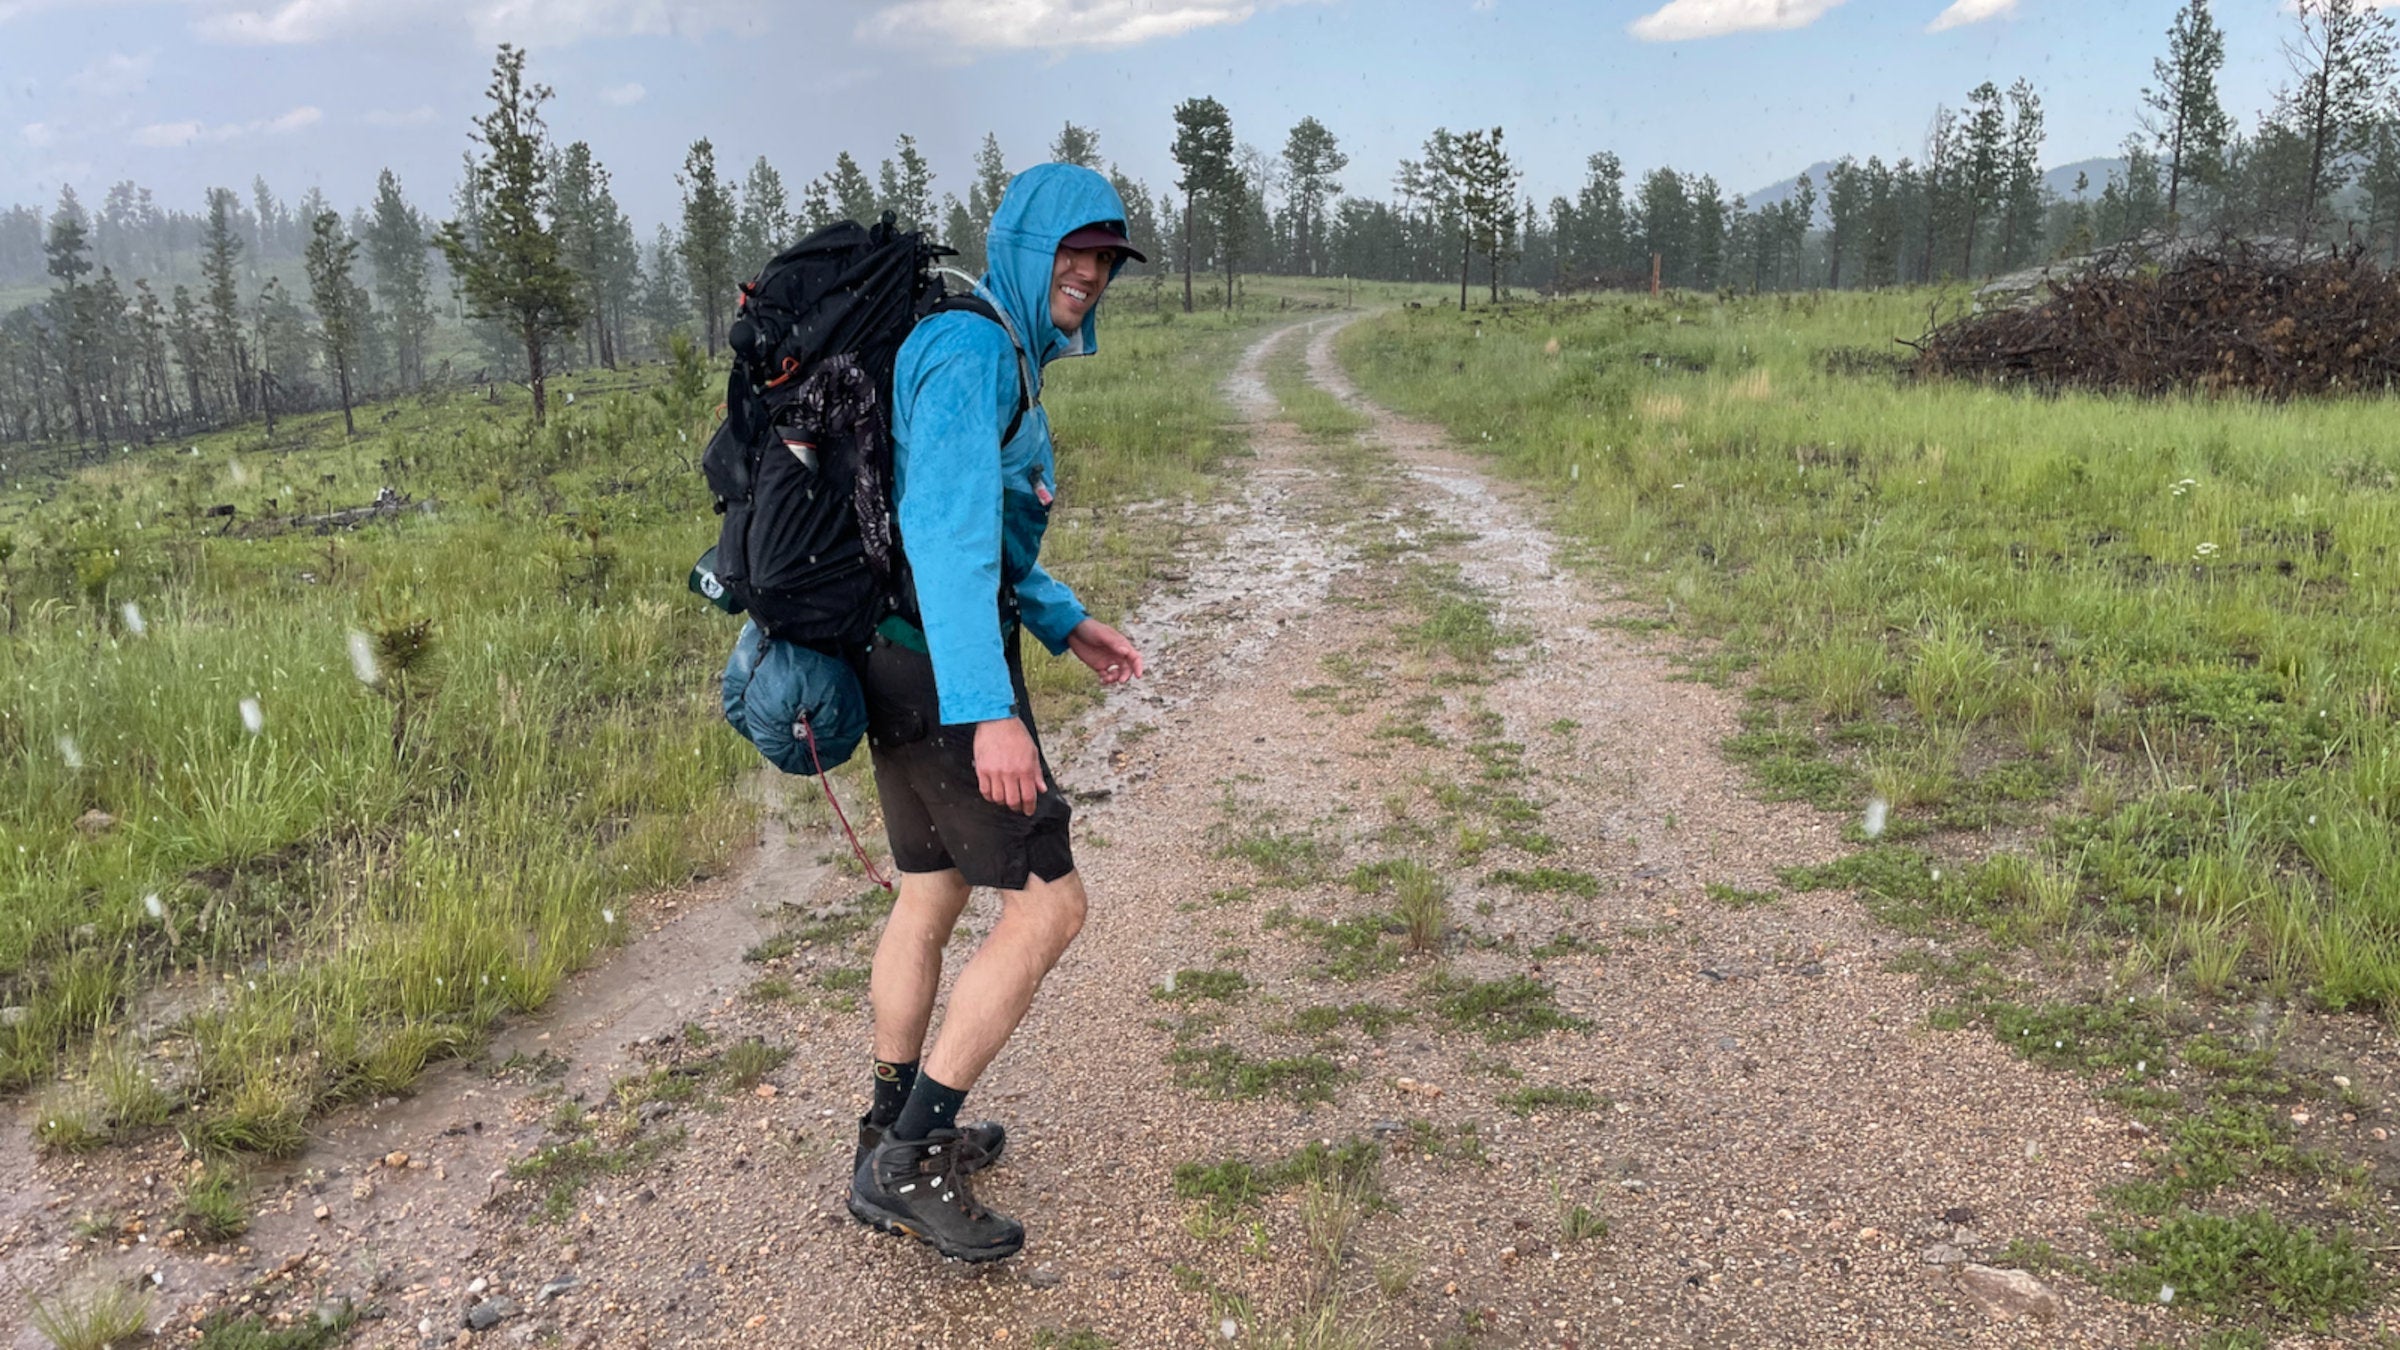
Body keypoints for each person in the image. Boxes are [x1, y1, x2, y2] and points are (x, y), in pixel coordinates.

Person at [843, 162, 1148, 1263]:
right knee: (1049, 910)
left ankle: (886, 1125)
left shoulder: (968, 338)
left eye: (1106, 259)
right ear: (1024, 246)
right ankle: (912, 1160)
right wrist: (989, 712)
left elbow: (991, 528)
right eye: (1074, 251)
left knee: (931, 890)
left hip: (889, 655)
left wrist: (1065, 623)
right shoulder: (974, 352)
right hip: (939, 671)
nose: (1091, 274)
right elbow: (951, 537)